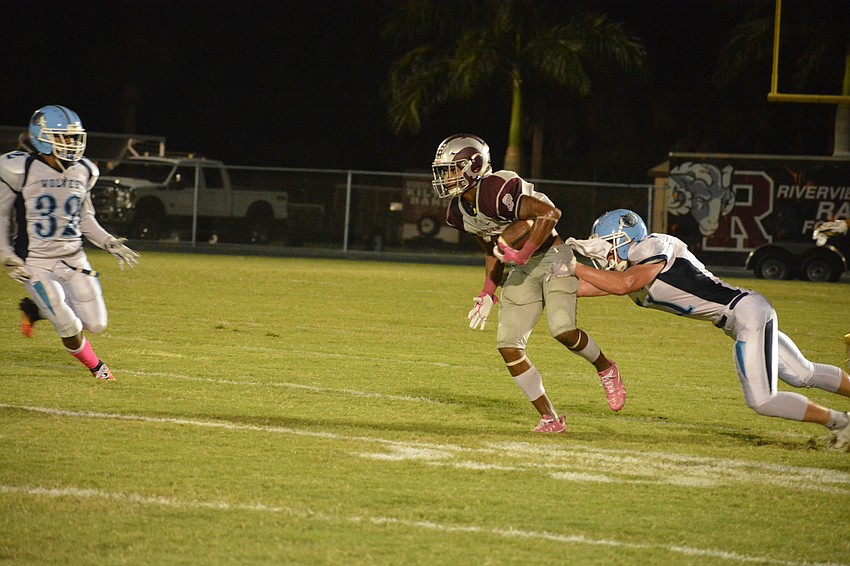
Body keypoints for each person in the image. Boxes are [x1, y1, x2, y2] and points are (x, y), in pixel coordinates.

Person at [569, 208, 850, 451]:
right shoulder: (632, 268)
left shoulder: (651, 247)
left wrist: (573, 265)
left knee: (763, 400)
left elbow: (622, 285)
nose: (603, 252)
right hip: (742, 316)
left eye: (608, 244)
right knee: (803, 373)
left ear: (627, 238)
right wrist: (546, 277)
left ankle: (842, 423)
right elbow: (589, 287)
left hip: (745, 313)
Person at [431, 133, 625, 433]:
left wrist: (523, 253)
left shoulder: (495, 189)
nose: (447, 177)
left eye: (453, 169)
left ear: (475, 165)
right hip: (522, 265)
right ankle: (550, 418)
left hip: (552, 256)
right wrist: (487, 293)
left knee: (563, 330)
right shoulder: (458, 212)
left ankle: (606, 367)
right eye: (444, 171)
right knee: (508, 346)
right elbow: (492, 251)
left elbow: (550, 213)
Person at [0, 105, 140, 380]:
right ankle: (98, 368)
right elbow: (1, 218)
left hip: (75, 258)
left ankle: (35, 309)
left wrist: (109, 241)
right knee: (67, 323)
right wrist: (6, 256)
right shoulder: (20, 168)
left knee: (97, 324)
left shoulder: (84, 170)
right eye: (62, 137)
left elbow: (85, 219)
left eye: (74, 138)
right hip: (35, 261)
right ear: (42, 137)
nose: (71, 143)